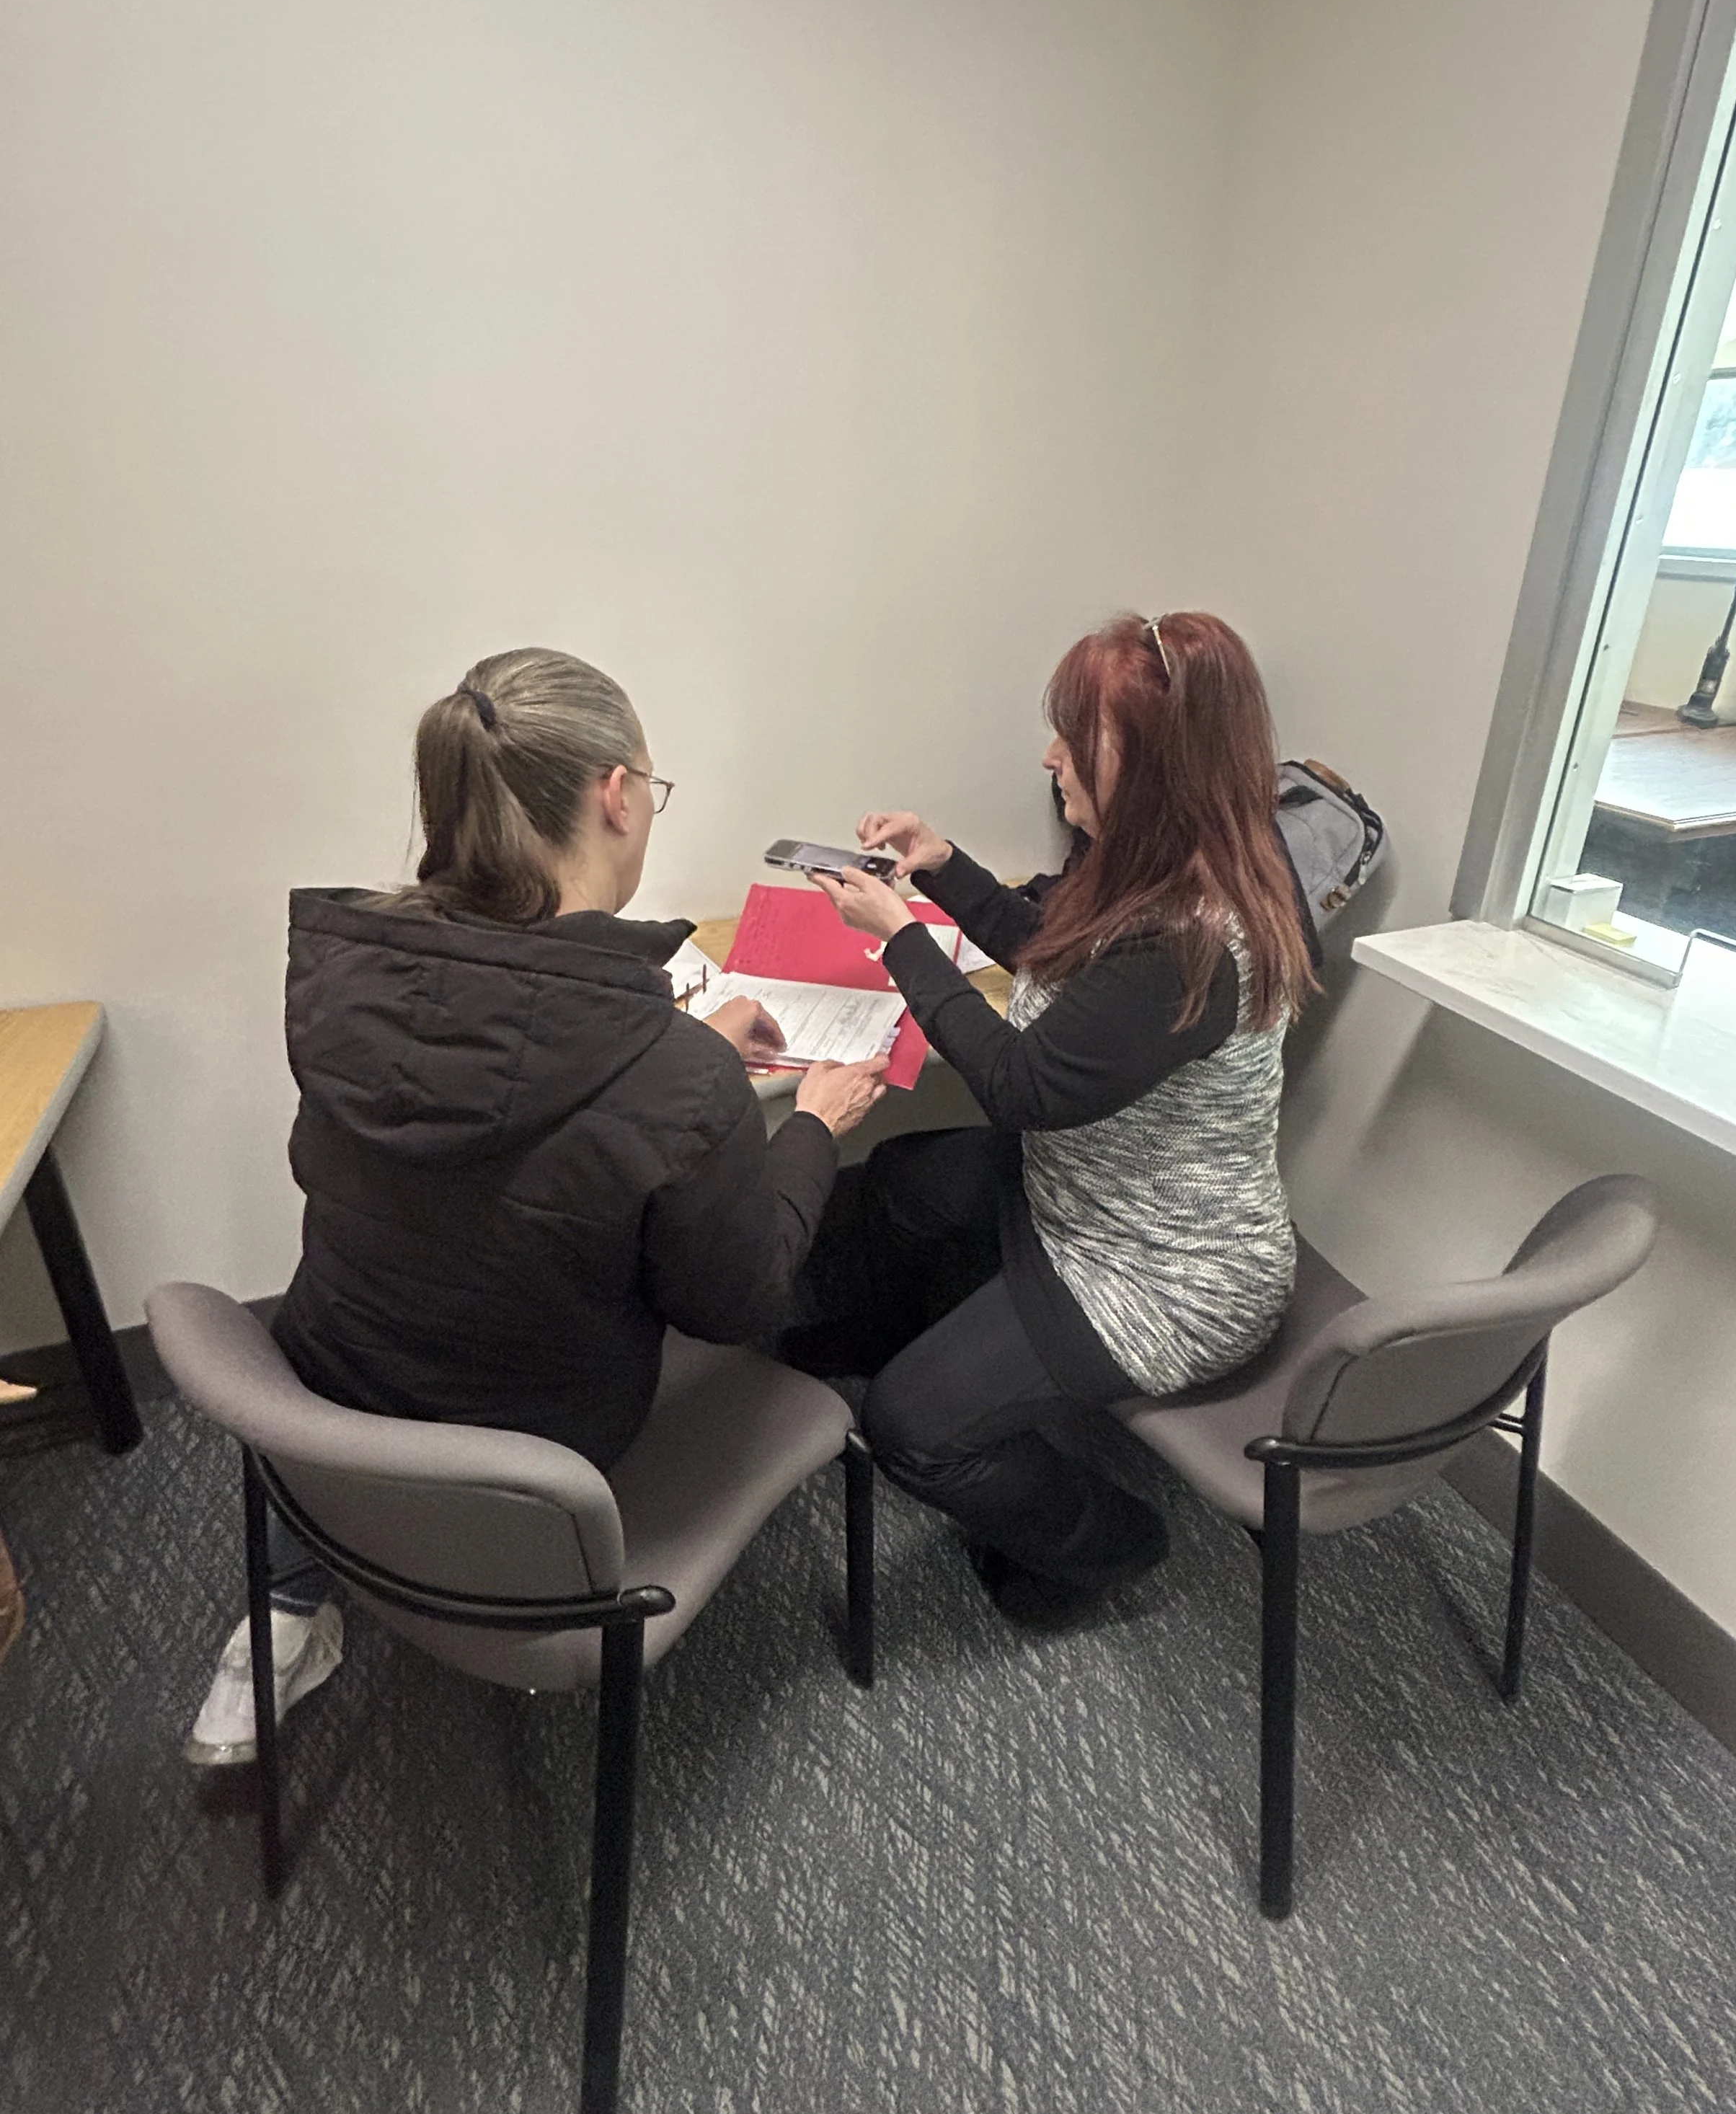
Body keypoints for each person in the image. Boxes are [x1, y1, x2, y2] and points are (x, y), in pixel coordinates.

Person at [187, 647, 887, 1765]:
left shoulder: (348, 977)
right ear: (616, 794)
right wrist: (809, 1128)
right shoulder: (668, 1074)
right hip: (535, 1472)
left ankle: (286, 1608)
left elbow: (488, 1092)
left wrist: (686, 1064)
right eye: (651, 790)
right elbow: (737, 1297)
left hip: (329, 1418)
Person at [792, 609, 1320, 1629]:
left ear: (1154, 765)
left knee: (913, 1429)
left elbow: (1022, 1086)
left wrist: (902, 943)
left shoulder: (1193, 936)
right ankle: (893, 1342)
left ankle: (1115, 1543)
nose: (1051, 758)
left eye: (1075, 741)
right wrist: (943, 868)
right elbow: (1051, 949)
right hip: (1085, 1192)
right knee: (901, 1184)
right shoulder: (1149, 868)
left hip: (1167, 1270)